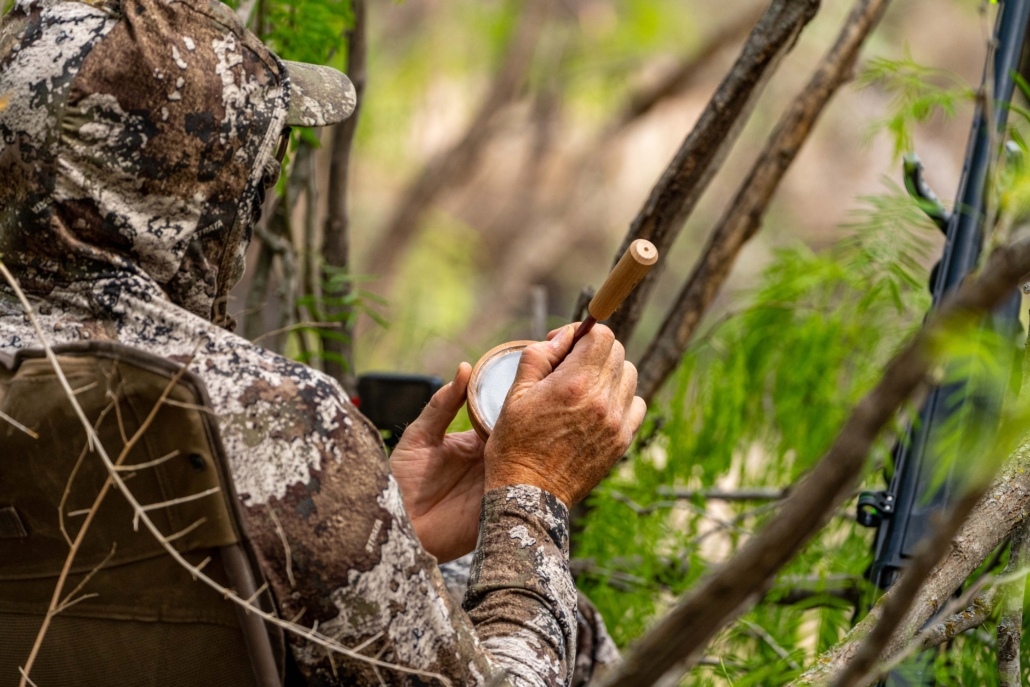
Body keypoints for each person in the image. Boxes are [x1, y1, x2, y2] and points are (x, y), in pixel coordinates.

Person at [0, 0, 645, 684]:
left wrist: (366, 534)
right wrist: (533, 486)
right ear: (213, 191)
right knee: (574, 630)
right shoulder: (271, 420)